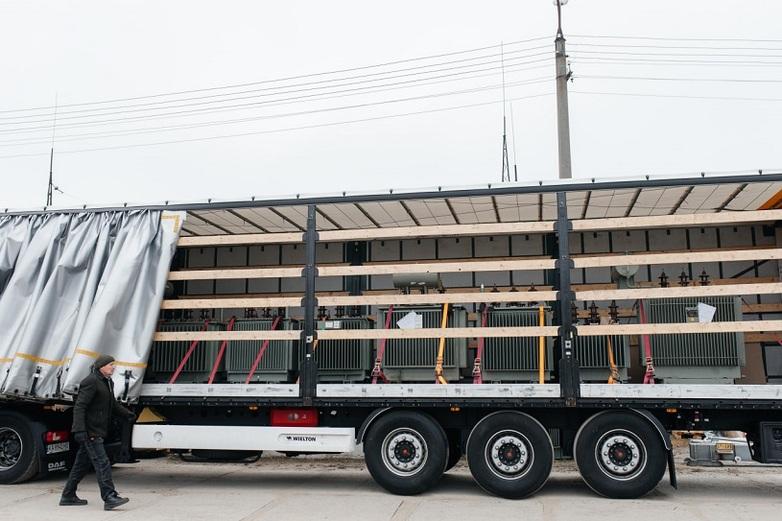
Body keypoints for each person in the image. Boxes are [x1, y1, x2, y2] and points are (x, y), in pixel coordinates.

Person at [60, 354, 136, 510]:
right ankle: (109, 497)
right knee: (103, 463)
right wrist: (79, 430)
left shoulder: (108, 382)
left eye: (114, 364)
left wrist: (127, 414)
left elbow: (112, 404)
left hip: (98, 430)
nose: (113, 367)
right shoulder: (91, 381)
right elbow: (80, 406)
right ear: (101, 366)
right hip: (90, 431)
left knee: (81, 465)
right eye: (111, 364)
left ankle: (68, 495)